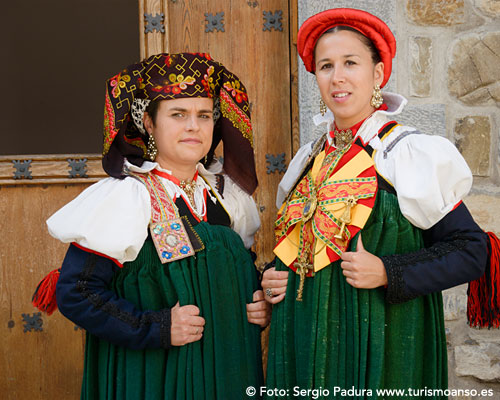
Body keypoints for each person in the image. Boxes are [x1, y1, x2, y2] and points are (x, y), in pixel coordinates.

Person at [261, 8, 489, 399]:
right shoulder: (307, 162)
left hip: (384, 349)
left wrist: (387, 271)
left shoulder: (406, 153)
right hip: (304, 345)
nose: (338, 77)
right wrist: (271, 275)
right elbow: (309, 247)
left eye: (351, 62)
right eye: (326, 66)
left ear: (378, 74)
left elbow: (472, 251)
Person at [32, 52, 270, 399]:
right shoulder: (127, 197)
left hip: (227, 371)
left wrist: (260, 300)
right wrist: (155, 327)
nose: (194, 126)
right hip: (153, 377)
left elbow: (239, 272)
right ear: (148, 122)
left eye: (204, 116)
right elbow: (76, 291)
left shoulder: (226, 199)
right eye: (178, 115)